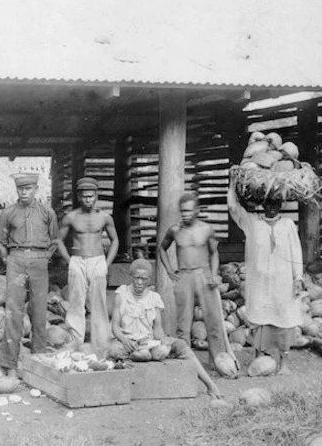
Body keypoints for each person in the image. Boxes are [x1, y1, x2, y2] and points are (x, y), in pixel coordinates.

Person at [227, 169, 303, 375]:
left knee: (285, 319)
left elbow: (296, 252)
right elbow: (233, 207)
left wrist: (298, 278)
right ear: (262, 204)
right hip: (259, 282)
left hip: (283, 282)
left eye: (276, 202)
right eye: (268, 202)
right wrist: (232, 181)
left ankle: (284, 365)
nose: (271, 206)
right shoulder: (253, 223)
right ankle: (260, 360)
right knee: (260, 319)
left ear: (281, 204)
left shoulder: (288, 225)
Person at [110, 259, 221, 399]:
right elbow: (115, 326)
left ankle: (210, 385)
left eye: (143, 279)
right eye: (136, 278)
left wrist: (163, 340)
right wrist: (125, 340)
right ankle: (142, 355)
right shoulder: (121, 294)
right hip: (127, 343)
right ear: (131, 276)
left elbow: (157, 330)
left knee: (180, 345)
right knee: (114, 350)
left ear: (149, 279)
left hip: (147, 343)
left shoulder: (154, 298)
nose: (139, 282)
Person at [158, 192, 236, 375]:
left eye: (188, 211)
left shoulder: (206, 229)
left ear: (196, 210)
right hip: (184, 277)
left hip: (204, 275)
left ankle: (218, 363)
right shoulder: (174, 230)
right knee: (183, 325)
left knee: (214, 323)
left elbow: (214, 252)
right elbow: (162, 248)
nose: (185, 214)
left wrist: (214, 274)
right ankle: (185, 365)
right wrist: (170, 270)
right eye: (182, 211)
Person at [0, 172, 58, 380]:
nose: (24, 192)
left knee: (39, 312)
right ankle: (10, 365)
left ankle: (38, 362)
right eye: (21, 189)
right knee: (13, 312)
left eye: (28, 188)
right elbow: (1, 242)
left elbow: (54, 241)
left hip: (40, 260)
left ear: (36, 189)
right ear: (16, 190)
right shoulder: (9, 212)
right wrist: (10, 261)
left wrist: (43, 259)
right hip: (16, 259)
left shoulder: (47, 212)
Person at [56, 177, 119, 350]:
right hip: (78, 260)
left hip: (98, 260)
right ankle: (75, 341)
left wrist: (107, 263)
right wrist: (70, 261)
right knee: (76, 302)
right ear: (79, 197)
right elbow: (59, 240)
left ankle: (101, 341)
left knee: (98, 301)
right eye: (84, 197)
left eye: (91, 196)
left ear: (96, 196)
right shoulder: (71, 217)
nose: (88, 200)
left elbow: (115, 240)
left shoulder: (105, 217)